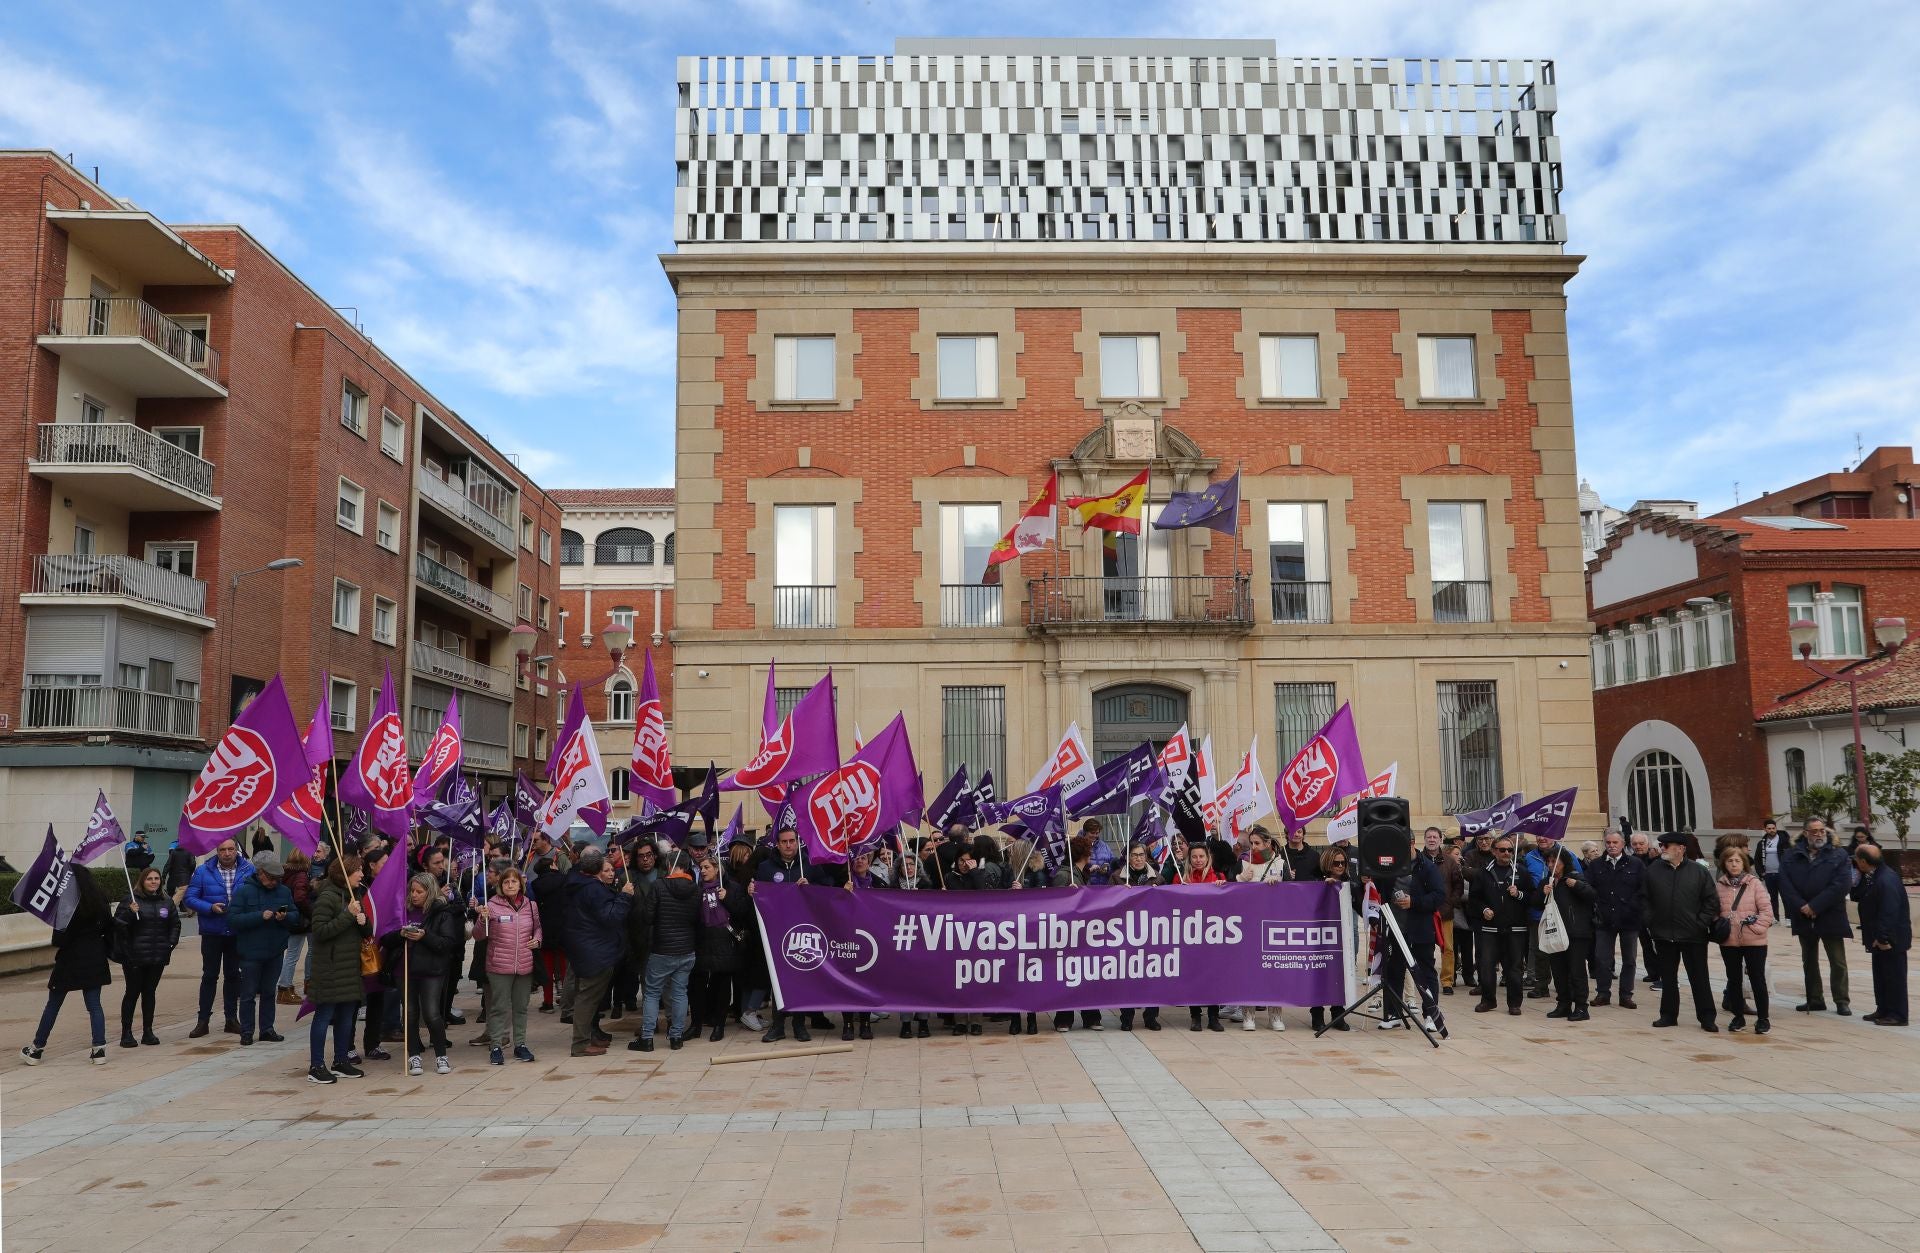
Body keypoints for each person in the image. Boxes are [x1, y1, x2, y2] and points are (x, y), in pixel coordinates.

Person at [21, 870, 115, 1065]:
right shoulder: (101, 901)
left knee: (53, 1005)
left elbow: (59, 940)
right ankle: (99, 1050)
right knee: (94, 1006)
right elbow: (109, 929)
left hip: (69, 961)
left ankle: (36, 1049)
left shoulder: (66, 906)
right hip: (94, 959)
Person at [1643, 832, 1720, 1032]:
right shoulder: (1653, 870)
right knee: (1668, 978)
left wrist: (1700, 923)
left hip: (1693, 935)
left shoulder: (1698, 871)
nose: (1663, 849)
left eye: (1667, 845)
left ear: (1681, 848)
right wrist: (1650, 921)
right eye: (1661, 845)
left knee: (1699, 978)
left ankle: (1707, 1017)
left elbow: (1711, 901)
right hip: (1663, 934)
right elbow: (1644, 899)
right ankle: (1668, 1015)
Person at [564, 847, 636, 1058]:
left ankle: (588, 1036)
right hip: (594, 950)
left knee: (588, 996)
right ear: (597, 869)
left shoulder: (577, 882)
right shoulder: (593, 889)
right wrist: (624, 896)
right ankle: (580, 1043)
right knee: (587, 998)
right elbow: (611, 916)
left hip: (584, 947)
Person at [306, 854, 370, 1083]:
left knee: (346, 1016)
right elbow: (320, 931)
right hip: (330, 968)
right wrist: (347, 915)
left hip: (350, 967)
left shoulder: (354, 895)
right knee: (324, 1015)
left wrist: (363, 921)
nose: (362, 874)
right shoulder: (327, 897)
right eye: (358, 870)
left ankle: (341, 1060)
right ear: (345, 874)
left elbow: (365, 932)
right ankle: (316, 1065)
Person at [1780, 818, 1853, 1016]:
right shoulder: (1791, 855)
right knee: (1809, 959)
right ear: (1805, 833)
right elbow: (1785, 884)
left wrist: (1815, 906)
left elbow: (1842, 884)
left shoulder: (1838, 854)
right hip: (1803, 915)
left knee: (1837, 960)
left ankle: (1841, 1000)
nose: (1819, 834)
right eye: (1814, 831)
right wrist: (1802, 907)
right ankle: (1814, 998)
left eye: (1822, 831)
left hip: (1830, 913)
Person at [183, 838, 251, 1037]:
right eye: (223, 850)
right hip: (212, 931)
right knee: (209, 976)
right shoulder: (203, 871)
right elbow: (190, 898)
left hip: (237, 931)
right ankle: (203, 1020)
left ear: (236, 850)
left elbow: (256, 895)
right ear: (217, 851)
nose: (227, 853)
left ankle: (231, 1019)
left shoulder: (248, 869)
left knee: (233, 976)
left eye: (231, 849)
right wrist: (209, 907)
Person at [228, 851, 296, 1046]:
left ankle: (267, 1029)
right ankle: (247, 1031)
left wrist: (285, 916)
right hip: (250, 952)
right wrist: (259, 916)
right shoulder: (243, 891)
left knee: (269, 992)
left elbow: (294, 914)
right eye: (271, 879)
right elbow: (233, 920)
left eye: (277, 879)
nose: (274, 883)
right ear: (261, 874)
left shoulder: (283, 891)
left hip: (275, 950)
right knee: (248, 994)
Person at [1378, 835, 1446, 1030]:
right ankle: (1394, 1013)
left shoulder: (1427, 866)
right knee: (1394, 971)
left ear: (1412, 843)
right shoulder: (1390, 866)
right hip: (1396, 929)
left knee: (1426, 972)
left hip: (1420, 930)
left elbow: (1439, 895)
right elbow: (1382, 890)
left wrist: (1414, 902)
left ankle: (1431, 1014)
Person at [398, 873, 464, 1074]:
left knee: (432, 1013)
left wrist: (424, 937)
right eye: (412, 891)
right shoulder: (403, 911)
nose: (414, 895)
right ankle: (413, 1056)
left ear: (430, 892)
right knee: (409, 1014)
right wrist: (399, 934)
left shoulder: (442, 913)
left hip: (431, 970)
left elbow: (447, 943)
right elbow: (386, 938)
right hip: (405, 969)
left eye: (419, 891)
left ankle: (441, 1055)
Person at [754, 829, 816, 1044]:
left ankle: (799, 1025)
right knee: (777, 979)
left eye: (792, 841)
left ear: (798, 843)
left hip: (802, 931)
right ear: (777, 845)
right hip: (776, 932)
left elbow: (826, 892)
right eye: (784, 842)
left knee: (800, 977)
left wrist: (811, 887)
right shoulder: (765, 868)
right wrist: (753, 890)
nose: (789, 845)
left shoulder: (809, 865)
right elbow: (759, 896)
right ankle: (778, 1026)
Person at [475, 865, 541, 1064]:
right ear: (500, 885)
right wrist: (481, 919)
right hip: (499, 965)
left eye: (513, 881)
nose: (510, 885)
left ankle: (520, 1044)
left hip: (524, 964)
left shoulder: (531, 905)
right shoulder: (492, 905)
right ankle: (495, 1046)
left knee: (521, 1007)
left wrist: (538, 940)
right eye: (506, 881)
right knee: (499, 1008)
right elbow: (478, 935)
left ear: (520, 884)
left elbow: (538, 928)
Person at [1467, 836, 1539, 1016]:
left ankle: (1514, 1003)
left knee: (1514, 968)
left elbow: (1533, 898)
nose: (1506, 853)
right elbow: (1474, 899)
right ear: (1494, 851)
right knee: (1486, 965)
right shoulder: (1483, 873)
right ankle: (1488, 1000)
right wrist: (1484, 909)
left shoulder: (1521, 872)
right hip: (1490, 929)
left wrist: (1519, 894)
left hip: (1515, 929)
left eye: (1509, 850)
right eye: (1502, 850)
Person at [637, 851, 698, 1052]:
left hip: (662, 948)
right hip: (686, 949)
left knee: (652, 992)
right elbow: (697, 919)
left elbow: (647, 917)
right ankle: (676, 1037)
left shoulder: (659, 886)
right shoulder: (695, 889)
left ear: (670, 864)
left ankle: (646, 1038)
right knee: (680, 992)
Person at [113, 866, 179, 1047]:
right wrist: (129, 912)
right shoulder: (131, 900)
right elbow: (118, 925)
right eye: (149, 879)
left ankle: (148, 1031)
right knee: (132, 993)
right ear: (143, 881)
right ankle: (126, 1032)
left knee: (149, 992)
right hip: (134, 957)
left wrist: (170, 944)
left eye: (156, 879)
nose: (153, 882)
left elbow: (175, 924)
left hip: (157, 956)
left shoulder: (167, 901)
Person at [1715, 844, 1774, 1033]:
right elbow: (1713, 911)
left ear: (1744, 863)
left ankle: (1763, 1018)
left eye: (1737, 860)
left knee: (1757, 979)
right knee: (1733, 979)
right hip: (1729, 941)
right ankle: (1738, 1016)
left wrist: (1756, 928)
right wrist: (1718, 926)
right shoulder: (1719, 886)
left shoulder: (1754, 883)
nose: (1734, 864)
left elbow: (1766, 910)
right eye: (1730, 861)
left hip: (1754, 940)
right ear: (1724, 864)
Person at [1585, 829, 1644, 1010]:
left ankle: (1626, 995)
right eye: (1608, 843)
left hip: (1629, 919)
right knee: (1602, 958)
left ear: (1622, 844)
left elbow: (1642, 890)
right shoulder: (1596, 865)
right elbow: (1589, 888)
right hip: (1604, 919)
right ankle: (1603, 993)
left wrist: (1632, 907)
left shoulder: (1635, 864)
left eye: (1615, 843)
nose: (1611, 846)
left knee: (1629, 959)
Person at [1237, 827, 1288, 1030]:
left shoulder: (1281, 863)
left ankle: (1275, 1015)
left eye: (1258, 843)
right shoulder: (1243, 862)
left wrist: (1281, 885)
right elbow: (1229, 893)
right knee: (1248, 969)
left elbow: (1294, 894)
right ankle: (1248, 1015)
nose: (1254, 847)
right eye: (1252, 843)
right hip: (1248, 924)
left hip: (1273, 924)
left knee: (1274, 969)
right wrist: (1241, 879)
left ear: (1268, 843)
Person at [1854, 845, 1910, 1026]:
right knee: (1881, 975)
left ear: (1863, 861)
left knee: (1894, 976)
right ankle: (1884, 1008)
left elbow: (1889, 911)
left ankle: (1898, 1014)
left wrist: (1884, 937)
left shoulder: (1886, 879)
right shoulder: (1874, 875)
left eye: (1857, 859)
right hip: (1877, 936)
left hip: (1891, 939)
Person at [1539, 843, 1594, 1022]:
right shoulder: (1548, 882)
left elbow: (1591, 895)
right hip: (1555, 933)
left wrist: (1577, 885)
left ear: (1564, 862)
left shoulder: (1575, 877)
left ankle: (1581, 1007)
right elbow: (1534, 902)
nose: (1551, 865)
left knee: (1576, 971)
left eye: (1555, 861)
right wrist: (1543, 893)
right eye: (1548, 861)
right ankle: (1563, 1004)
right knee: (1559, 971)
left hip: (1576, 933)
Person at [1113, 843, 1160, 1033]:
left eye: (1142, 855)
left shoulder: (1157, 877)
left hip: (1152, 934)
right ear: (1128, 857)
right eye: (1134, 855)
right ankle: (1127, 1017)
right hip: (1126, 934)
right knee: (1128, 978)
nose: (1139, 858)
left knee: (1153, 976)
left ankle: (1151, 1017)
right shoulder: (1117, 877)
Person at [1184, 842, 1229, 1033]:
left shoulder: (1218, 877)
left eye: (1201, 856)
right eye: (1194, 857)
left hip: (1213, 935)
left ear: (1207, 857)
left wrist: (1222, 887)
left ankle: (1213, 1016)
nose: (1198, 860)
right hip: (1189, 934)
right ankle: (1195, 1016)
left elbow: (1227, 903)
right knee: (1192, 975)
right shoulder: (1181, 878)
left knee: (1214, 976)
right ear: (1189, 859)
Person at [1311, 845, 1352, 1032]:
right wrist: (1323, 886)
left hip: (1343, 935)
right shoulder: (1317, 882)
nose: (1340, 866)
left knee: (1339, 974)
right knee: (1319, 973)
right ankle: (1317, 1015)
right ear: (1328, 863)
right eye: (1336, 863)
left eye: (1343, 862)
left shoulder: (1349, 883)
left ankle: (1338, 1014)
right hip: (1320, 935)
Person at [528, 855, 570, 1016]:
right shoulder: (564, 880)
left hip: (545, 929)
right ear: (552, 866)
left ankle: (547, 1002)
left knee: (547, 967)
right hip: (563, 928)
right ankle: (567, 999)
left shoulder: (536, 885)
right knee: (565, 968)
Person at [275, 847, 314, 1006]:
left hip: (289, 917)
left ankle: (288, 986)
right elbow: (299, 898)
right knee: (294, 954)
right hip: (300, 919)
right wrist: (311, 913)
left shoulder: (284, 874)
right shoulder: (301, 875)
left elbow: (284, 896)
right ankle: (284, 988)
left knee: (292, 953)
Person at [1755, 820, 1787, 919]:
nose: (1771, 830)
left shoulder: (1784, 841)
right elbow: (1757, 859)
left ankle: (1788, 918)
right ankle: (1775, 918)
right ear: (1765, 829)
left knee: (1786, 897)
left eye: (1773, 828)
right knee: (1773, 898)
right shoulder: (1762, 843)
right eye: (1769, 828)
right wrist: (1761, 873)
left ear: (1776, 828)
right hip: (1768, 874)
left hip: (1782, 874)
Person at [161, 839, 196, 904]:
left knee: (175, 893)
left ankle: (190, 911)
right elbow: (192, 864)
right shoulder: (189, 851)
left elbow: (168, 864)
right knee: (183, 893)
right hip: (184, 877)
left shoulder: (174, 852)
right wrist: (190, 873)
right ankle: (170, 907)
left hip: (173, 876)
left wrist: (164, 876)